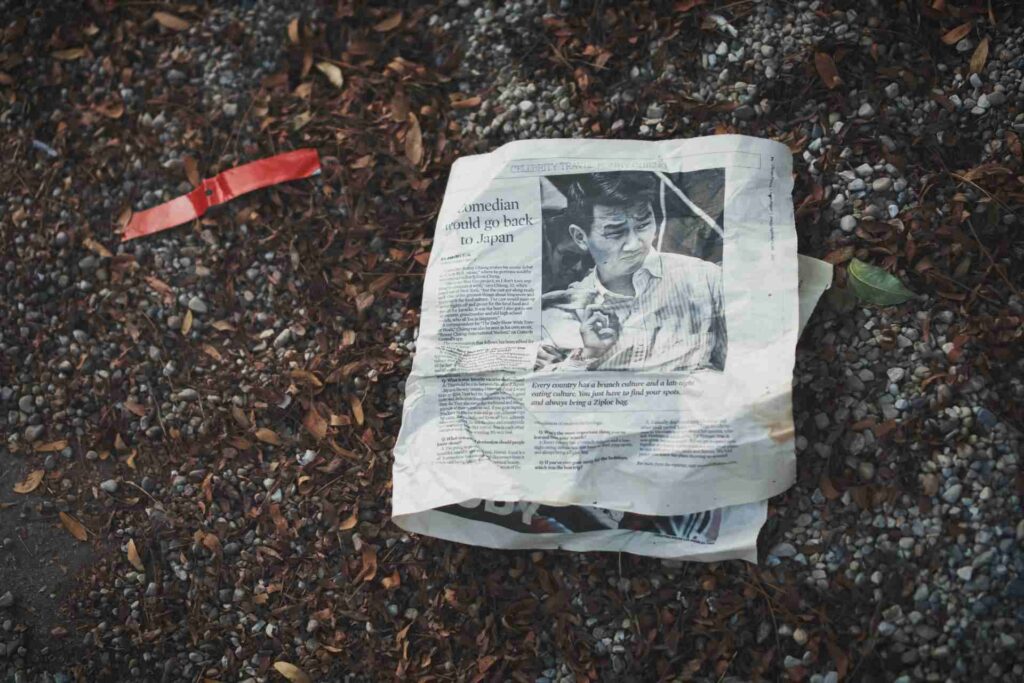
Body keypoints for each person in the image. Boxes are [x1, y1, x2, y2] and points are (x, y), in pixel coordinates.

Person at [537, 172, 726, 372]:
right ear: (580, 237)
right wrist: (588, 356)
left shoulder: (707, 280)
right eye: (615, 232)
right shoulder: (557, 316)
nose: (634, 244)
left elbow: (739, 370)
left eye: (643, 224)